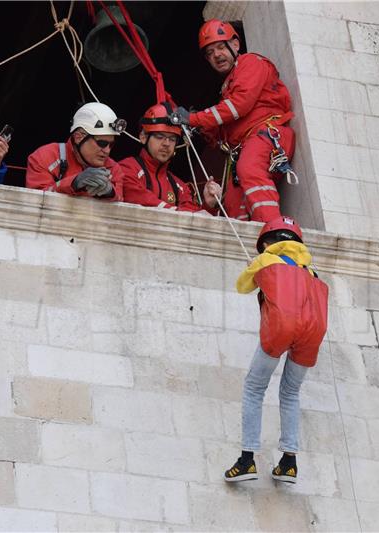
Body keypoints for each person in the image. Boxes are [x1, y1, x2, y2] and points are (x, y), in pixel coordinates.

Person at [224, 216, 328, 484]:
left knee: (254, 388)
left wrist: (253, 268)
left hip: (282, 327)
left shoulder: (267, 259)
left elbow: (242, 286)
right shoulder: (311, 272)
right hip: (313, 332)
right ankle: (289, 463)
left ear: (268, 242)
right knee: (291, 392)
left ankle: (247, 460)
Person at [172, 20, 295, 223]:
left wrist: (194, 118)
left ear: (235, 45)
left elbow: (239, 106)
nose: (216, 55)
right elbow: (225, 129)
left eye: (220, 47)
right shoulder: (229, 86)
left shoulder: (251, 63)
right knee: (231, 199)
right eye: (210, 53)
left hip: (266, 135)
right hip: (247, 145)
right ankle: (254, 245)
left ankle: (273, 228)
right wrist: (203, 129)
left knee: (249, 169)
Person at [119, 103, 221, 212]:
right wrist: (178, 212)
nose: (166, 144)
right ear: (143, 137)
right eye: (159, 137)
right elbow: (143, 200)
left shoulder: (180, 187)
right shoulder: (126, 169)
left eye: (172, 139)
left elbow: (195, 219)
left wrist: (209, 206)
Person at [25, 102, 125, 201]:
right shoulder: (45, 156)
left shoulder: (114, 169)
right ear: (78, 137)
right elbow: (35, 200)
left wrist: (110, 193)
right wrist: (74, 182)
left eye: (111, 144)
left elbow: (121, 206)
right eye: (102, 143)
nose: (107, 150)